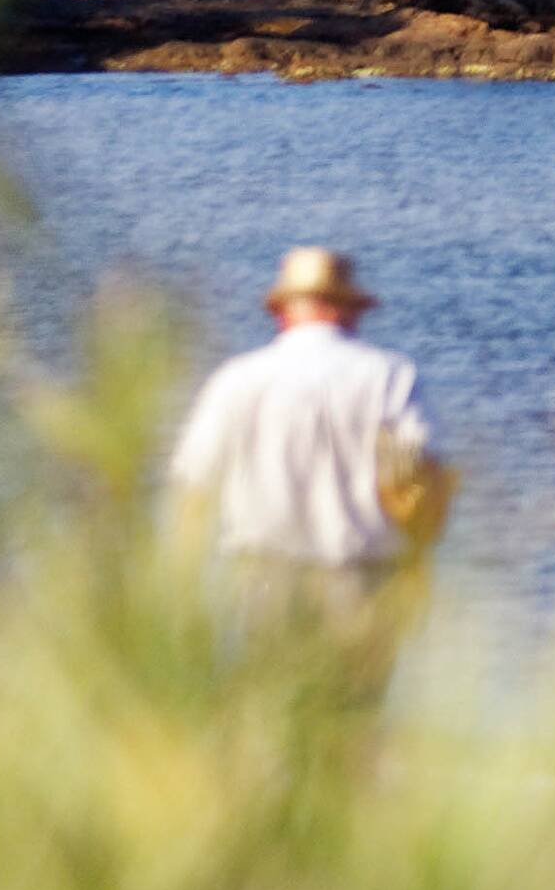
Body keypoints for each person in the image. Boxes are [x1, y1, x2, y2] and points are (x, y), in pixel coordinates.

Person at [167, 246, 451, 615]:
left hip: (263, 583)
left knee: (269, 673)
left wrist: (182, 587)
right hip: (363, 584)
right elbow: (422, 474)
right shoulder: (390, 377)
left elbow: (194, 488)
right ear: (349, 309)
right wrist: (418, 560)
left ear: (279, 311)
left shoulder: (236, 381)